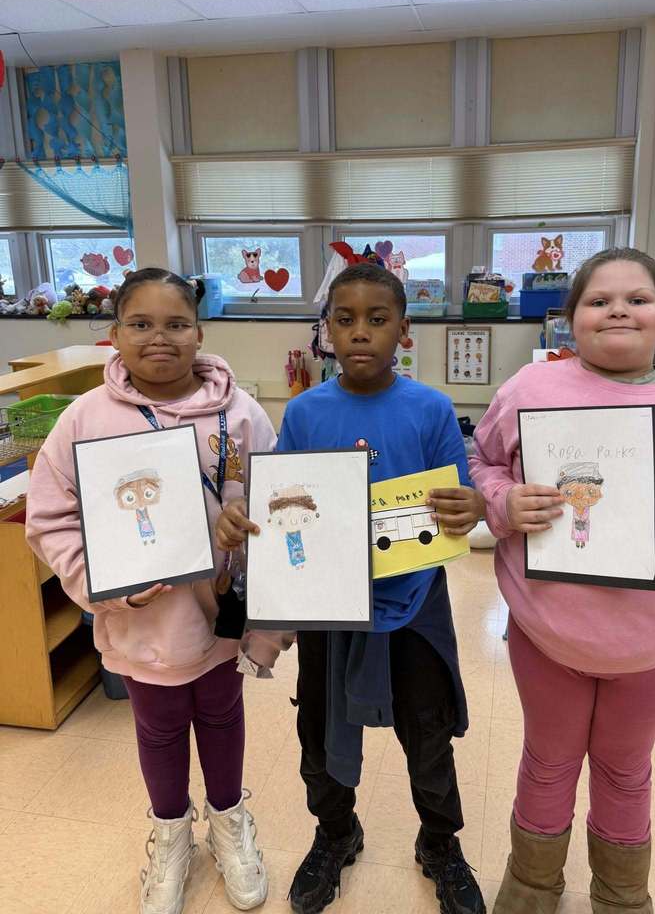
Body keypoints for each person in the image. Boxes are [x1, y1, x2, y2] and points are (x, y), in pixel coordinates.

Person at [470, 248, 655, 914]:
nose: (618, 309)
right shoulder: (529, 391)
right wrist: (506, 503)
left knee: (626, 773)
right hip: (548, 636)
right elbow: (483, 464)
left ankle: (623, 897)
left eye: (637, 298)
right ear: (570, 321)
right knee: (547, 762)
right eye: (598, 301)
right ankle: (531, 886)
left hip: (650, 647)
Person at [216, 263, 487, 914]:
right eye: (344, 319)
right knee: (320, 727)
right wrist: (242, 516)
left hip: (414, 601)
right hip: (329, 606)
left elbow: (462, 500)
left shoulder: (430, 408)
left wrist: (471, 505)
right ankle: (336, 833)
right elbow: (282, 505)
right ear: (325, 330)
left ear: (404, 328)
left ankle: (440, 845)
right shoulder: (307, 412)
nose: (360, 332)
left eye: (377, 319)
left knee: (428, 732)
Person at [25, 268, 277, 914]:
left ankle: (228, 823)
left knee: (222, 715)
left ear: (199, 332)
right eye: (139, 324)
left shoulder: (241, 412)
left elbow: (273, 506)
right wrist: (102, 587)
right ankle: (170, 834)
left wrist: (241, 536)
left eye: (175, 324)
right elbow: (49, 517)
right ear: (114, 336)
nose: (157, 338)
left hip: (218, 616)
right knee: (158, 726)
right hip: (137, 623)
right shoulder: (85, 418)